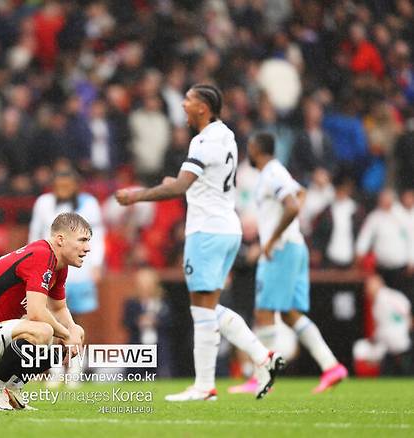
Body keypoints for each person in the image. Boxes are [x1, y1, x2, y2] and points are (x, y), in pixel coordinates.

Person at [115, 84, 284, 401]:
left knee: (203, 310)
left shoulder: (203, 141)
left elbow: (181, 187)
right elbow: (199, 183)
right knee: (208, 308)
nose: (183, 103)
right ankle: (242, 367)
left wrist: (136, 196)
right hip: (227, 227)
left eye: (189, 99)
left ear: (203, 108)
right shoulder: (228, 136)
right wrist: (180, 185)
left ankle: (234, 371)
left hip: (206, 231)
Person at [228, 132, 348, 395]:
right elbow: (300, 194)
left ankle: (263, 377)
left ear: (258, 150)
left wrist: (272, 239)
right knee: (290, 314)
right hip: (294, 247)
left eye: (250, 148)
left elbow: (292, 205)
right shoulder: (276, 173)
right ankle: (331, 366)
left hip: (281, 250)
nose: (248, 153)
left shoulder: (271, 172)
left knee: (264, 311)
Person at [0, 212, 89, 411]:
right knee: (43, 331)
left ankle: (12, 387)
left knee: (72, 332)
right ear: (60, 239)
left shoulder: (59, 265)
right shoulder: (42, 255)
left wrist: (72, 331)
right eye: (82, 240)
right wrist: (66, 333)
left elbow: (59, 308)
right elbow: (37, 313)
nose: (87, 248)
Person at [28, 167, 104, 386]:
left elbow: (97, 236)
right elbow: (35, 233)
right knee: (49, 319)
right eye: (59, 186)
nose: (63, 190)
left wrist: (97, 264)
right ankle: (54, 370)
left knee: (76, 320)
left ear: (76, 186)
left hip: (81, 271)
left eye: (67, 186)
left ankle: (76, 369)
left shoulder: (89, 204)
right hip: (50, 269)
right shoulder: (43, 203)